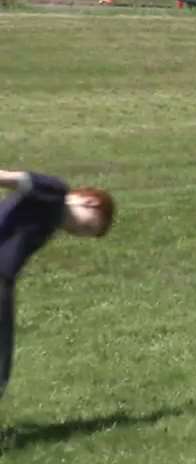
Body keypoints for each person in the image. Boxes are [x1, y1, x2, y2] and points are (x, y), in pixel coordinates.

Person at [1, 169, 114, 398]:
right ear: (90, 202)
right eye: (89, 228)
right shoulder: (55, 192)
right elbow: (9, 178)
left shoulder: (49, 220)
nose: (80, 234)